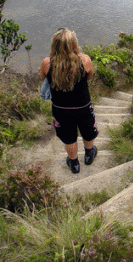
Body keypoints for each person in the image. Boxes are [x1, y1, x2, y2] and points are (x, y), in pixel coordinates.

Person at [40, 28, 98, 174]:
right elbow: (90, 75)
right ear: (74, 43)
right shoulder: (84, 60)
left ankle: (74, 163)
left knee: (69, 137)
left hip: (61, 109)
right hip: (83, 106)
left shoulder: (47, 63)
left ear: (55, 44)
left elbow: (43, 78)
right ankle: (89, 155)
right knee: (87, 131)